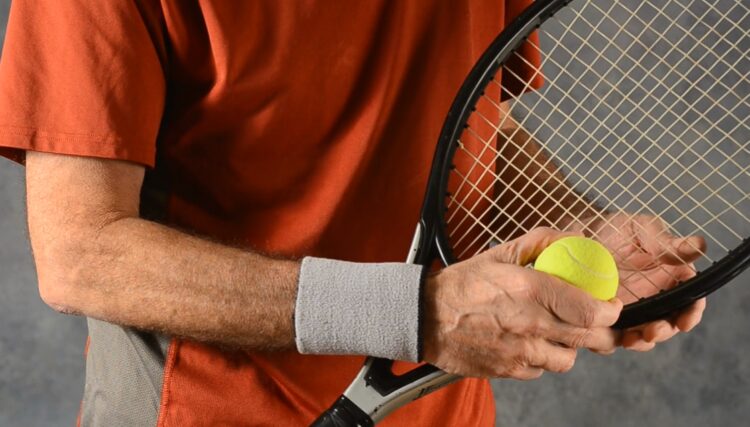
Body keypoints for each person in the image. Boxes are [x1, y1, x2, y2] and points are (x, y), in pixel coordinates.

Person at [0, 1, 705, 426]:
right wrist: (414, 313)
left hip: (436, 412)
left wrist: (578, 222)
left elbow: (467, 127)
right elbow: (80, 251)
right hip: (202, 410)